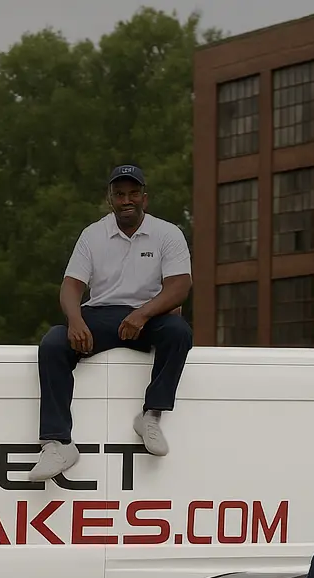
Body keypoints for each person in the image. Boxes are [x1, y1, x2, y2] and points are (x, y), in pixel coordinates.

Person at [30, 164, 194, 483]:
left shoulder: (167, 233)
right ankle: (58, 443)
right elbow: (71, 285)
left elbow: (180, 286)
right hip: (101, 315)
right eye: (119, 195)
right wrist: (75, 319)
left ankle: (151, 416)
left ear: (144, 199)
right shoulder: (93, 234)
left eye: (133, 193)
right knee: (53, 343)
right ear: (111, 200)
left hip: (150, 315)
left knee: (179, 332)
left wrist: (143, 314)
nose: (126, 200)